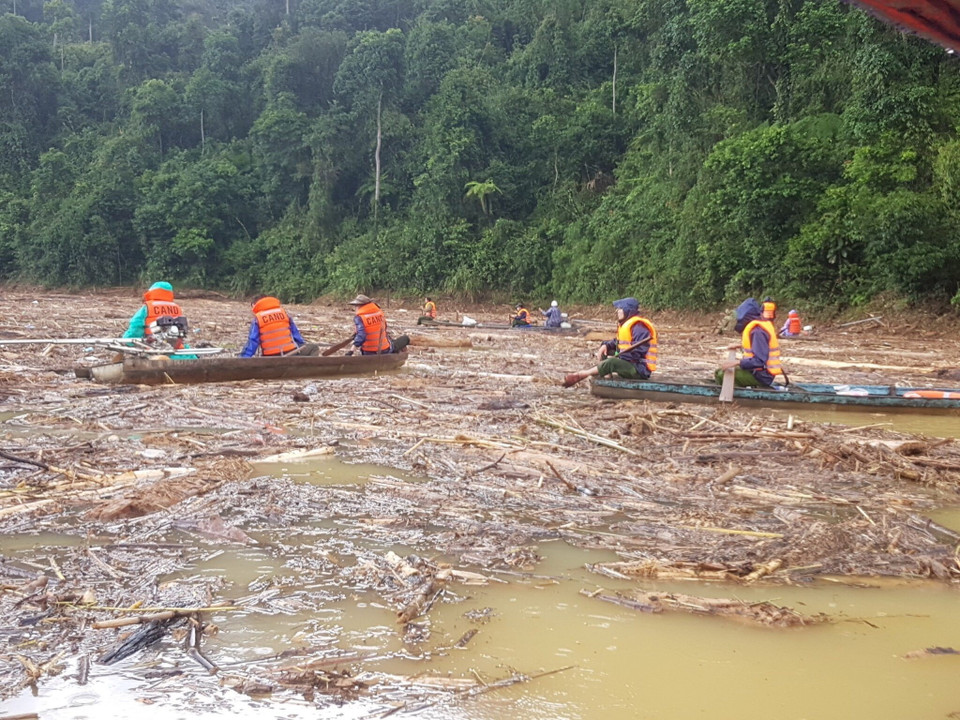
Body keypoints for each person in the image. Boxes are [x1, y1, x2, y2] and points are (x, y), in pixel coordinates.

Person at [562, 297, 658, 387]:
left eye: (620, 308)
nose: (617, 311)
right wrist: (606, 346)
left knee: (611, 362)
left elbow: (638, 352)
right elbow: (618, 342)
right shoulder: (627, 325)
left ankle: (582, 375)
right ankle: (607, 377)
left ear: (627, 310)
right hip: (631, 362)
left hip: (639, 369)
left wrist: (620, 358)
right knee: (606, 351)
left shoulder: (639, 327)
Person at [716, 297, 784, 388]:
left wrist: (736, 362)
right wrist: (741, 346)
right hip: (759, 372)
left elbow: (759, 361)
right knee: (719, 371)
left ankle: (736, 397)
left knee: (721, 374)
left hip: (761, 375)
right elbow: (759, 346)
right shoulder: (758, 328)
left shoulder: (757, 331)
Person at [123, 281, 197, 359]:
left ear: (151, 292)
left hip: (153, 349)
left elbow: (135, 329)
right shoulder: (176, 308)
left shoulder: (148, 307)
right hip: (176, 349)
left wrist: (126, 341)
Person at [239, 295, 317, 357]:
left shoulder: (258, 319)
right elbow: (297, 338)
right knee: (314, 348)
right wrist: (300, 347)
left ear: (254, 305)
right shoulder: (284, 314)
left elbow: (252, 343)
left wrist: (242, 359)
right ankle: (307, 370)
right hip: (291, 353)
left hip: (270, 357)